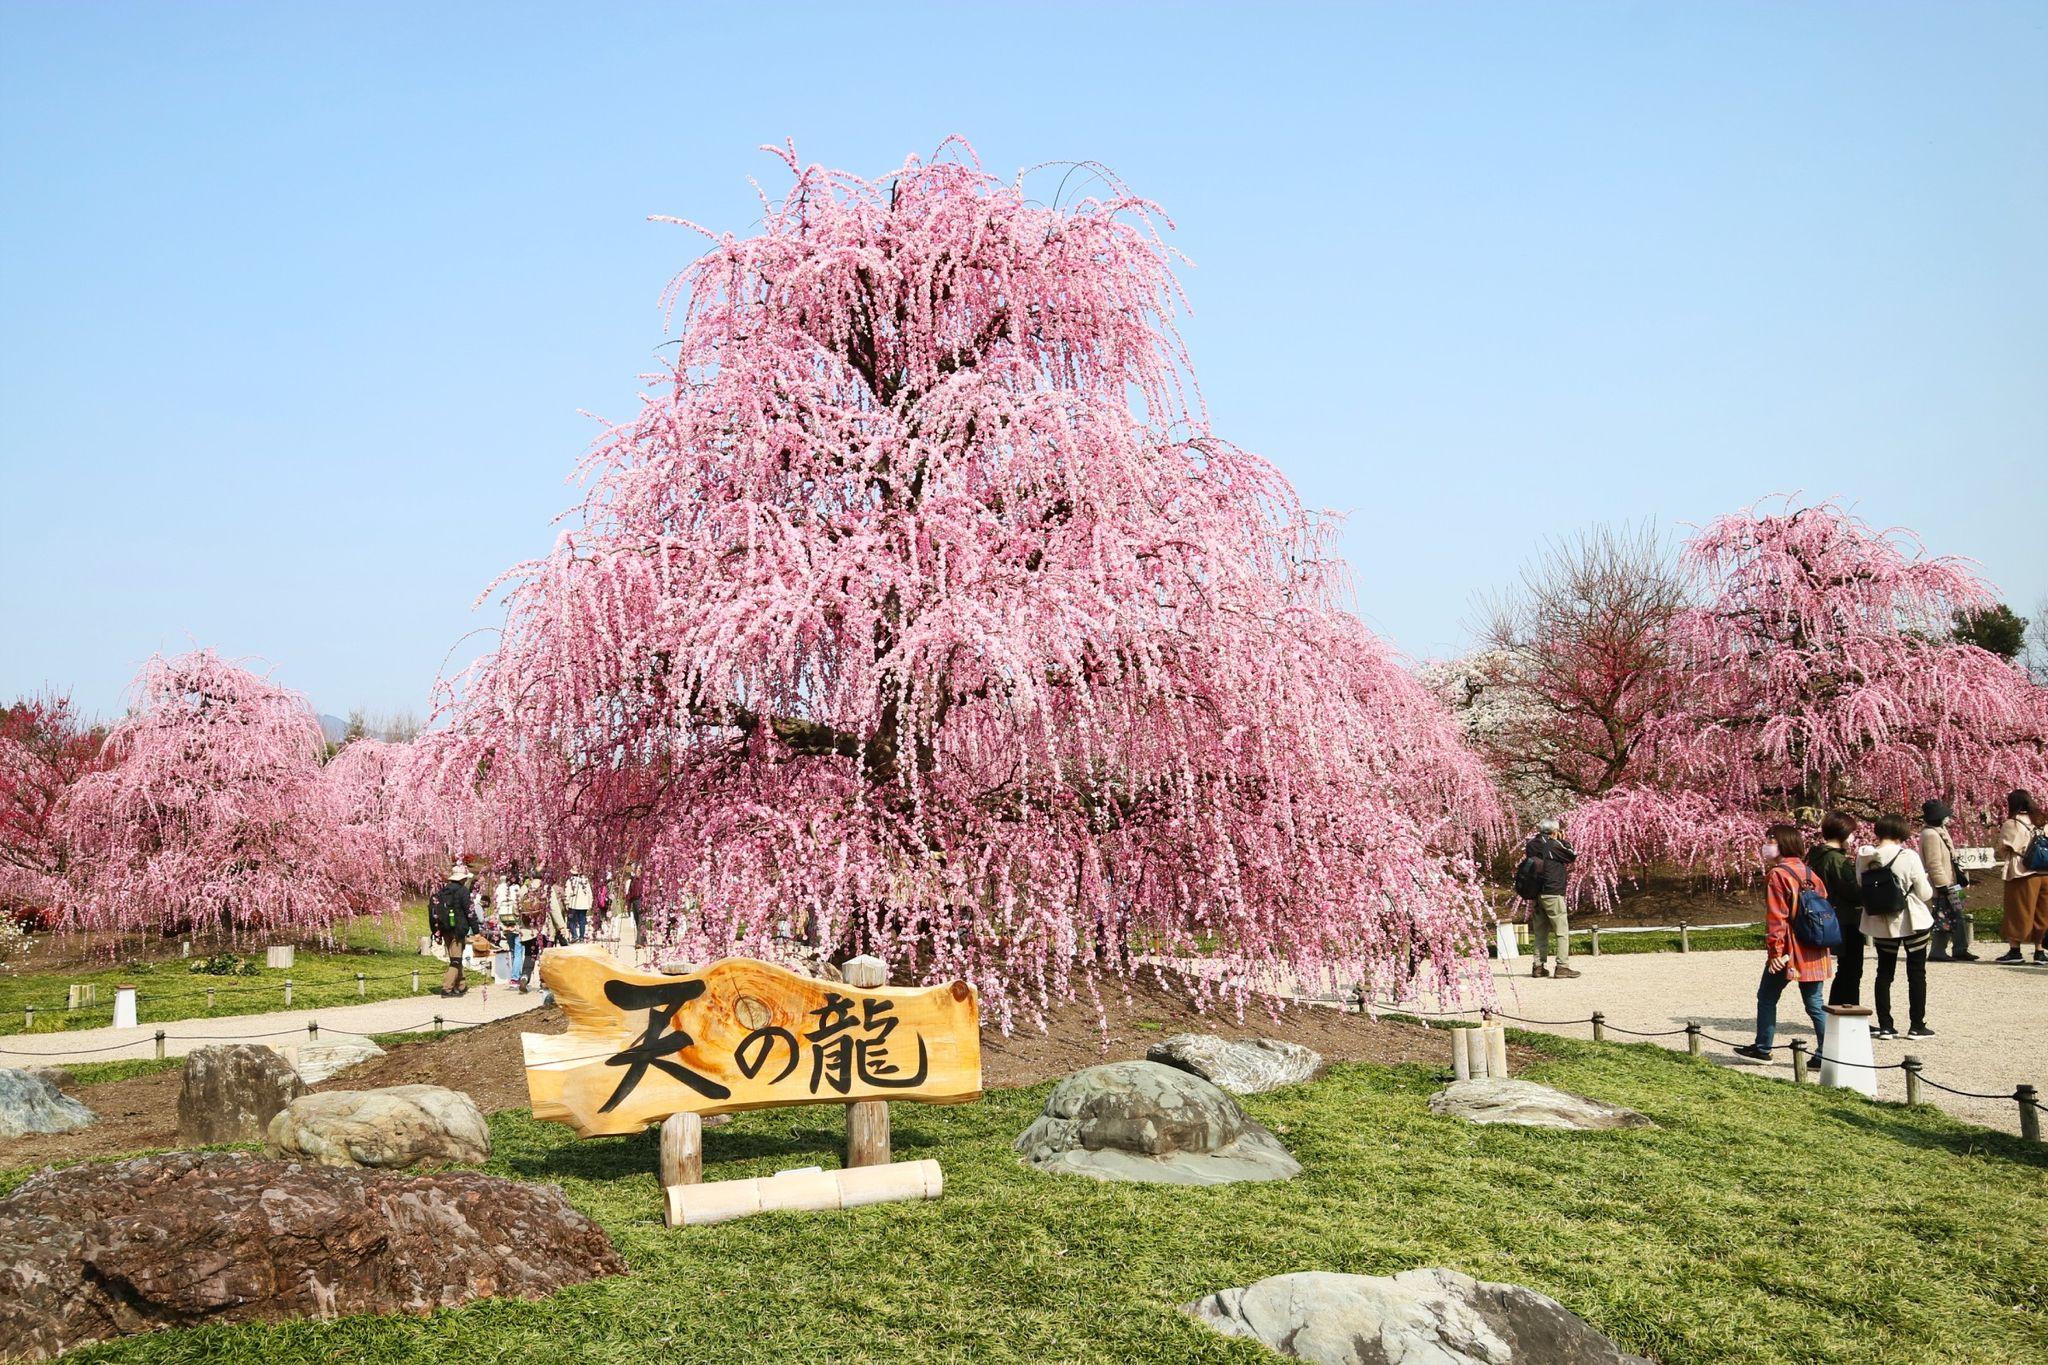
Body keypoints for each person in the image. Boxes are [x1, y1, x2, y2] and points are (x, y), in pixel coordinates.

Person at [1734, 824, 1832, 1061]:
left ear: (1782, 844)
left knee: (1767, 997)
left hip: (1790, 949)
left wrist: (1775, 952)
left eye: (1770, 840)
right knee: (1815, 1003)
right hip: (1815, 946)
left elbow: (1777, 918)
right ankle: (1828, 1053)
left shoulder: (1779, 875)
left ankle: (1763, 1046)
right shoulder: (1810, 874)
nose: (1766, 845)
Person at [1859, 812, 1936, 1040]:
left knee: (1884, 973)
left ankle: (1885, 1026)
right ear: (1901, 833)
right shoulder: (1908, 855)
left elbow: (1859, 884)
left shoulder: (1863, 856)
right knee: (1916, 973)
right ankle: (1916, 1025)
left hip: (1880, 921)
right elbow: (1924, 893)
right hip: (1911, 919)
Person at [1809, 811, 1865, 1004]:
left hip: (1830, 916)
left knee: (1845, 968)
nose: (1853, 838)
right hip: (1845, 918)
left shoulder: (1816, 856)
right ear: (1843, 833)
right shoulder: (1836, 859)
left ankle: (1838, 1011)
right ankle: (1848, 1012)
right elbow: (1851, 891)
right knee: (1852, 969)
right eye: (1852, 833)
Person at [1994, 790, 2048, 964]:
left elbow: (2003, 848)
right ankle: (2040, 951)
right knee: (2043, 913)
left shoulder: (2012, 824)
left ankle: (2015, 951)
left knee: (2018, 912)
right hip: (2045, 872)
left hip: (2022, 873)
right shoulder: (2042, 822)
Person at [1521, 818, 1580, 979]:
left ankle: (1538, 967)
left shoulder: (1532, 844)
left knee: (1540, 932)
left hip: (1537, 893)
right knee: (1561, 931)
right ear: (1554, 831)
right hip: (1553, 892)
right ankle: (1562, 966)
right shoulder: (1554, 845)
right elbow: (1572, 856)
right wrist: (1564, 841)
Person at [1920, 800, 1978, 962]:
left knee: (1959, 914)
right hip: (1945, 883)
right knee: (1943, 915)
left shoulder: (1940, 831)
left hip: (1953, 882)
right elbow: (1933, 863)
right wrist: (1942, 884)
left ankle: (1961, 948)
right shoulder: (1930, 834)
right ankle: (1938, 950)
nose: (1947, 819)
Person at [428, 859, 481, 998]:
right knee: (456, 960)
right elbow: (470, 912)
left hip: (445, 929)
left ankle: (461, 985)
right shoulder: (463, 891)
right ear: (463, 879)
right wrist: (476, 931)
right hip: (458, 930)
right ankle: (447, 988)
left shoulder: (442, 892)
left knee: (455, 958)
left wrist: (436, 933)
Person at [561, 870, 594, 942]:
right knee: (582, 921)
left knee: (571, 921)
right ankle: (581, 937)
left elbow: (567, 892)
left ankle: (575, 935)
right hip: (583, 904)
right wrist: (590, 903)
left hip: (573, 904)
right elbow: (589, 893)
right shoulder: (585, 881)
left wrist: (566, 902)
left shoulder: (570, 881)